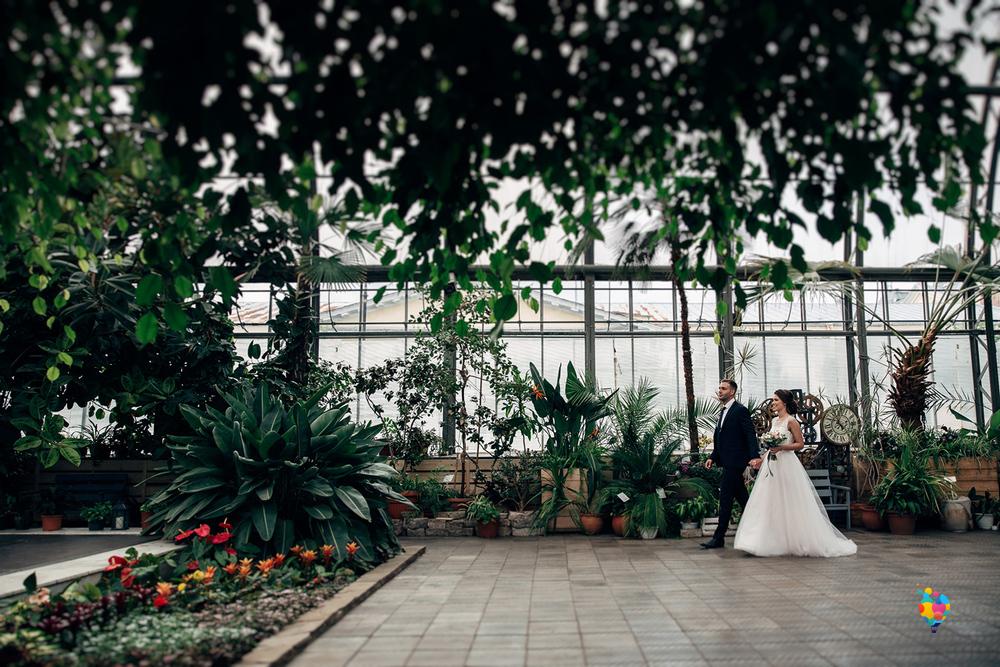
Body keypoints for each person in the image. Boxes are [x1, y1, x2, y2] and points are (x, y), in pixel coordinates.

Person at [734, 389, 857, 557]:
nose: (773, 403)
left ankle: (794, 539)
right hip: (772, 464)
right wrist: (761, 459)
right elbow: (772, 448)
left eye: (776, 400)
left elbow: (800, 444)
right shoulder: (775, 421)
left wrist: (782, 447)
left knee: (790, 501)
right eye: (772, 400)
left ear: (784, 403)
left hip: (787, 464)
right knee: (769, 501)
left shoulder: (791, 421)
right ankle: (764, 540)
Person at [701, 379, 760, 550]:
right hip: (727, 461)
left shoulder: (740, 410)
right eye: (719, 388)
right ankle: (761, 528)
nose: (720, 390)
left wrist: (754, 456)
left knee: (725, 499)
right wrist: (713, 456)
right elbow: (720, 438)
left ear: (732, 392)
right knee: (743, 499)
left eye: (723, 388)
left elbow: (750, 434)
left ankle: (718, 537)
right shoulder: (723, 411)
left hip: (736, 462)